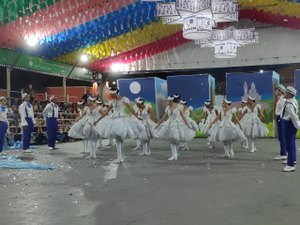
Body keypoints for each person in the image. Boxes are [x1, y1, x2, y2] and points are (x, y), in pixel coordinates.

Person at [94, 87, 144, 163]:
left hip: (123, 119)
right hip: (114, 119)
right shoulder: (112, 101)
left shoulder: (124, 99)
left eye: (113, 94)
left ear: (116, 93)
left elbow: (131, 109)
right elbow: (106, 112)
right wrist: (97, 120)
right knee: (117, 139)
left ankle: (120, 157)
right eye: (111, 94)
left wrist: (137, 117)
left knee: (121, 139)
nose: (112, 96)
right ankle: (119, 157)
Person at [155, 95, 195, 161]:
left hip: (176, 124)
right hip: (169, 124)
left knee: (176, 139)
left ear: (171, 101)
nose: (167, 102)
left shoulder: (178, 107)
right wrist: (158, 124)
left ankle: (175, 154)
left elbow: (183, 117)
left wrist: (188, 125)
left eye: (168, 101)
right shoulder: (168, 107)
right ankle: (174, 155)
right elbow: (164, 117)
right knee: (172, 140)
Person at [281, 86, 300, 172]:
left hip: (289, 125)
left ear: (289, 94)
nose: (284, 93)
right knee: (291, 144)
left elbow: (294, 117)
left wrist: (298, 126)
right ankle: (293, 160)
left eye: (285, 92)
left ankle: (291, 165)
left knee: (289, 144)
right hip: (289, 124)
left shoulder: (289, 105)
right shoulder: (292, 101)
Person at [274, 84, 287, 160]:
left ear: (280, 91)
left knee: (282, 136)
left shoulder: (283, 100)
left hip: (281, 118)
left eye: (276, 90)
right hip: (279, 118)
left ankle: (283, 153)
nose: (275, 91)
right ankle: (284, 152)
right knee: (281, 137)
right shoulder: (279, 99)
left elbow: (283, 111)